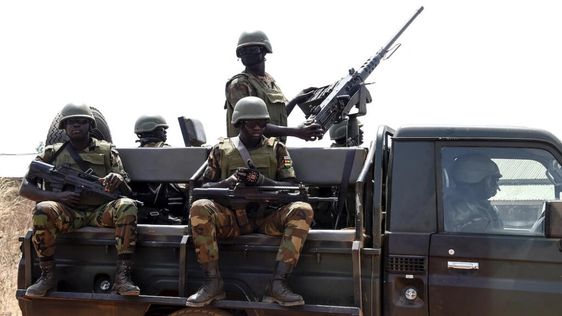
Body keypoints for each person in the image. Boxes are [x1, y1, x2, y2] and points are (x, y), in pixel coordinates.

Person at [188, 96, 314, 307]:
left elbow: (292, 187)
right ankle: (212, 283)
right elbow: (201, 189)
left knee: (302, 209)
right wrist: (227, 183)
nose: (258, 127)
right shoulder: (221, 149)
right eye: (252, 122)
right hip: (231, 220)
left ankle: (278, 284)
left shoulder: (276, 148)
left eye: (263, 122)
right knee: (199, 208)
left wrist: (262, 181)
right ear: (239, 122)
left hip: (267, 219)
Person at [19, 103, 140, 297]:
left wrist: (117, 179)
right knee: (43, 209)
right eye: (71, 122)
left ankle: (122, 277)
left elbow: (126, 188)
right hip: (68, 213)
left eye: (81, 122)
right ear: (64, 127)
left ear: (90, 125)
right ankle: (47, 276)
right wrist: (57, 196)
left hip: (100, 212)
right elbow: (25, 188)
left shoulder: (107, 151)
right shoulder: (52, 153)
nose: (76, 126)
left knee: (127, 206)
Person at [225, 30, 324, 143]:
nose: (247, 54)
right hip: (247, 154)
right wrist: (296, 131)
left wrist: (296, 100)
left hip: (272, 153)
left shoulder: (270, 83)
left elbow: (278, 117)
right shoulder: (239, 84)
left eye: (252, 50)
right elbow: (253, 126)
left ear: (264, 51)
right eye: (243, 51)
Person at [133, 114, 184, 224]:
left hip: (142, 208)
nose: (165, 133)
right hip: (171, 208)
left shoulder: (133, 155)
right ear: (152, 130)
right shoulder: (170, 151)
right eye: (162, 129)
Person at [444, 154, 504, 232]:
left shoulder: (483, 208)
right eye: (493, 180)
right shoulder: (462, 214)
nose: (497, 187)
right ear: (473, 179)